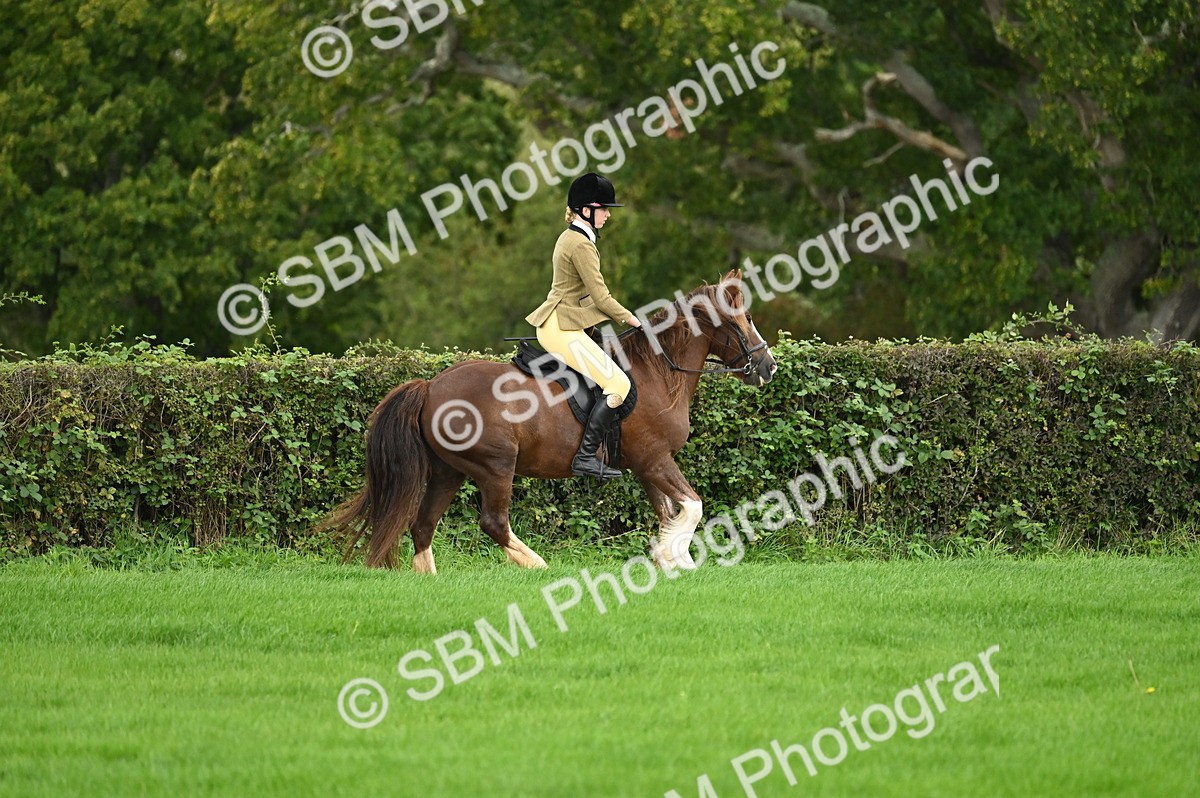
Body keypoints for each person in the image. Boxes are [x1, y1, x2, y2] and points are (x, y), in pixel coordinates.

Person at [525, 172, 643, 481]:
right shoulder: (580, 245)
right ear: (587, 209)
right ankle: (586, 457)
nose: (608, 215)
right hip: (560, 328)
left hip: (564, 323)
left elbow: (587, 297)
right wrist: (631, 319)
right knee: (619, 384)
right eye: (604, 209)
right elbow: (601, 297)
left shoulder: (574, 238)